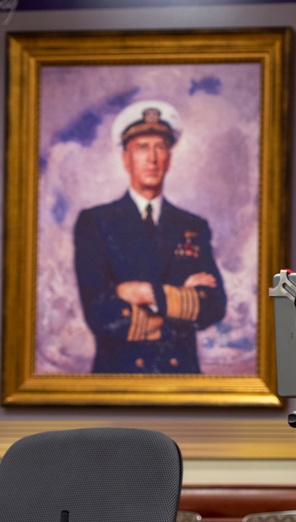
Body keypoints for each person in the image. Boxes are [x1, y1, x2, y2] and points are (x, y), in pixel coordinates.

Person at [73, 100, 227, 373]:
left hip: (181, 378)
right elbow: (99, 314)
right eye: (142, 148)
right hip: (120, 377)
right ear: (126, 158)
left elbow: (214, 305)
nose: (152, 158)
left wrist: (144, 293)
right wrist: (181, 298)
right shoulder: (96, 222)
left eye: (160, 147)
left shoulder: (192, 225)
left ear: (170, 157)